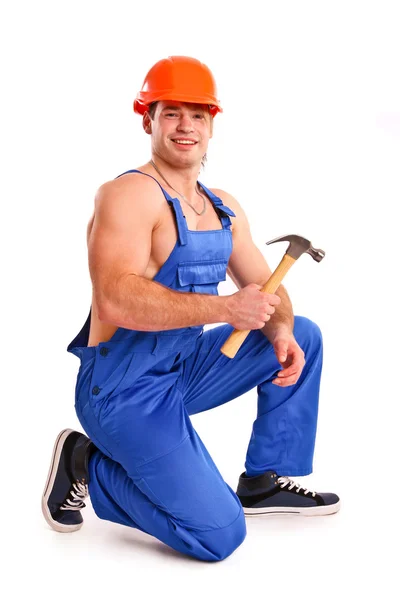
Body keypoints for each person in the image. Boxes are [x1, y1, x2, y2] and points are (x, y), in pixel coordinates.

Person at [42, 56, 340, 562]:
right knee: (218, 536)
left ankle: (263, 480)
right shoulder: (128, 196)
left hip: (182, 370)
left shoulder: (221, 205)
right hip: (123, 390)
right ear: (148, 120)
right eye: (172, 112)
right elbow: (116, 296)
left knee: (303, 334)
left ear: (212, 124)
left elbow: (267, 288)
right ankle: (85, 463)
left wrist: (280, 326)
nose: (186, 126)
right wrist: (227, 307)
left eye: (198, 114)